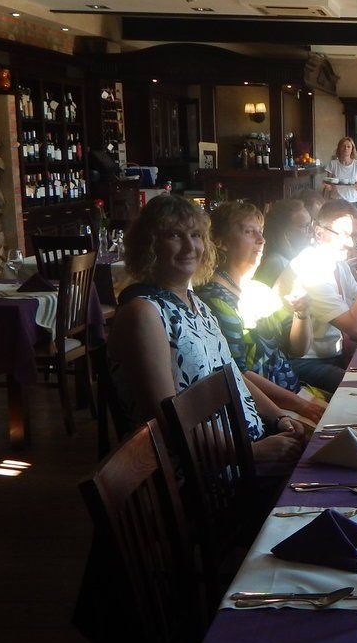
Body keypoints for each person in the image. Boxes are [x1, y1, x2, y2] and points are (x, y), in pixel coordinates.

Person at [106, 194, 306, 463]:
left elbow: (233, 374)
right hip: (210, 470)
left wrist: (279, 417)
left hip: (247, 448)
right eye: (174, 235)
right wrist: (252, 453)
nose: (190, 246)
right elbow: (167, 419)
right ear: (149, 246)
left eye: (196, 235)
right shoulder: (144, 313)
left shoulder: (195, 303)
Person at [197, 201, 327, 426]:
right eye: (249, 232)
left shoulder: (258, 289)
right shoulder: (214, 300)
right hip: (268, 412)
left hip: (295, 394)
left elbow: (297, 349)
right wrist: (300, 406)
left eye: (261, 231)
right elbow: (237, 374)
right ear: (220, 242)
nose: (261, 240)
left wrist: (302, 314)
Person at [274, 199, 357, 391]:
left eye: (354, 236)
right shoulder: (310, 267)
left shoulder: (339, 265)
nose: (350, 243)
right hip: (304, 362)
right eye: (344, 234)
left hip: (336, 354)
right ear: (319, 233)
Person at [254, 198, 311, 286]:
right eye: (305, 226)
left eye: (311, 223)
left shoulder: (299, 256)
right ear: (286, 233)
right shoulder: (276, 263)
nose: (311, 230)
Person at [323, 137, 357, 210]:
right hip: (336, 201)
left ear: (352, 149)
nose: (346, 148)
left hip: (353, 201)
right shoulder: (332, 164)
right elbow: (329, 185)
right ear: (339, 148)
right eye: (343, 146)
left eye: (348, 146)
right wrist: (327, 186)